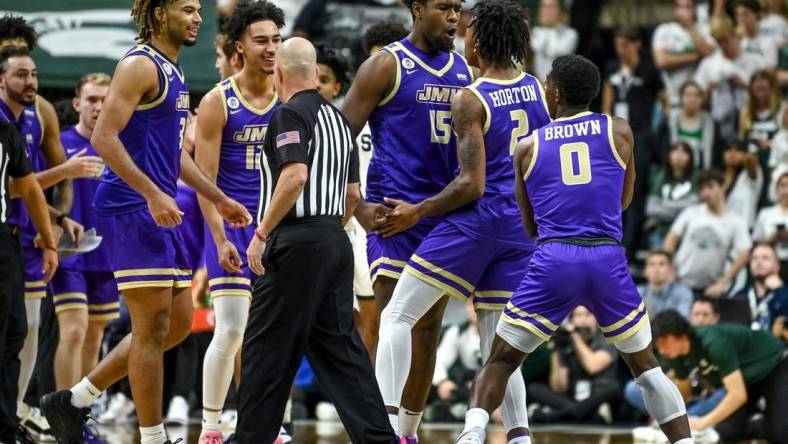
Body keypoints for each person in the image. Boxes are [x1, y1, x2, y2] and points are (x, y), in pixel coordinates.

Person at [40, 2, 252, 444]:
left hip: (157, 208)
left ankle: (75, 398)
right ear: (158, 13)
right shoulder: (139, 65)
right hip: (130, 208)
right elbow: (103, 137)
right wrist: (152, 193)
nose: (198, 17)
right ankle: (153, 437)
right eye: (187, 9)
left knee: (175, 325)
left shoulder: (173, 71)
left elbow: (174, 155)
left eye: (199, 10)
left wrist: (219, 197)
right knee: (151, 327)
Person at [455, 54, 693, 444]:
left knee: (500, 359)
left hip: (554, 258)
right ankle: (684, 441)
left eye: (548, 84)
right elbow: (624, 199)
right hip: (606, 256)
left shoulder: (528, 146)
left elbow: (530, 225)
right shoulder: (619, 131)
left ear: (556, 91)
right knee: (646, 366)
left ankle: (473, 432)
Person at [375, 1, 549, 442]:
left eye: (469, 29)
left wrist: (418, 210)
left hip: (478, 222)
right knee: (501, 346)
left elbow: (471, 184)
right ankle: (520, 436)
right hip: (521, 228)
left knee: (397, 315)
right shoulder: (537, 90)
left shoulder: (472, 97)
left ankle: (383, 429)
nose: (461, 35)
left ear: (483, 39)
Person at [237, 37, 396, 444]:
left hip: (295, 243)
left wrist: (261, 233)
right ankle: (380, 439)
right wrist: (326, 234)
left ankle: (250, 438)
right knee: (342, 354)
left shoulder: (288, 114)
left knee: (264, 351)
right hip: (335, 241)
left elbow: (294, 177)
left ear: (279, 73)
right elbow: (352, 196)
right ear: (313, 73)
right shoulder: (341, 122)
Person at [341, 0, 474, 436]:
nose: (454, 16)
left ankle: (407, 432)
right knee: (393, 315)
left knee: (428, 330)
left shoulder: (464, 72)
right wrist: (357, 205)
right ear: (417, 9)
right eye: (444, 7)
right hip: (392, 214)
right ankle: (381, 428)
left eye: (458, 8)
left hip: (440, 214)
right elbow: (337, 140)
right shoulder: (385, 65)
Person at [193, 1, 283, 441]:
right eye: (261, 40)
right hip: (230, 226)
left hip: (277, 228)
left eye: (276, 40)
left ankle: (268, 425)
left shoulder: (290, 97)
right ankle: (210, 427)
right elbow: (203, 182)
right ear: (238, 47)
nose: (270, 48)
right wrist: (218, 237)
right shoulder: (217, 101)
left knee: (273, 337)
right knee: (230, 330)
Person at [0, 45, 91, 441]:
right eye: (20, 74)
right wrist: (67, 170)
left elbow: (33, 188)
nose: (30, 81)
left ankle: (13, 417)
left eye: (34, 73)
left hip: (18, 236)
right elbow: (19, 187)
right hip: (12, 231)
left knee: (21, 331)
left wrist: (55, 225)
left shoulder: (26, 123)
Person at [48, 73, 117, 396]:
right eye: (91, 100)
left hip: (108, 252)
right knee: (74, 332)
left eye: (105, 100)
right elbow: (32, 185)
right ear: (77, 103)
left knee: (95, 336)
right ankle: (63, 416)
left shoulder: (119, 143)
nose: (98, 106)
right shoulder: (59, 142)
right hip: (68, 251)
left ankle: (81, 413)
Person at [352, 20, 409, 357]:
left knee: (397, 320)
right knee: (367, 322)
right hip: (360, 222)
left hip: (407, 217)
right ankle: (365, 400)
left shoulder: (414, 106)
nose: (378, 71)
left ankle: (397, 400)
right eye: (372, 61)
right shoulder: (356, 106)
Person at [0, 120, 57, 444]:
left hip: (6, 239)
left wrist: (50, 239)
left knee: (15, 333)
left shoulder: (7, 132)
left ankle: (7, 426)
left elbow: (29, 186)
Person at [653, 309, 788, 442]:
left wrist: (701, 423)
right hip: (748, 378)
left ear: (680, 334)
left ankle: (774, 422)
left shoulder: (712, 341)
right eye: (658, 345)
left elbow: (738, 394)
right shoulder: (676, 355)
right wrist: (671, 417)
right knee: (727, 432)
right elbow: (683, 390)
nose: (661, 350)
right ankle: (765, 420)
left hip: (775, 364)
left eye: (664, 342)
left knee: (781, 434)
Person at [602, 26, 669, 256]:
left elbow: (665, 101)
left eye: (625, 44)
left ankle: (628, 247)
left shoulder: (649, 70)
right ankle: (611, 239)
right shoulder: (611, 68)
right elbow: (607, 103)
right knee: (613, 188)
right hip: (616, 135)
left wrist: (656, 130)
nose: (621, 50)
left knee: (635, 190)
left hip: (640, 135)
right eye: (618, 45)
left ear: (637, 44)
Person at [664, 169, 751, 296]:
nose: (706, 193)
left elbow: (744, 253)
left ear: (723, 187)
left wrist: (723, 282)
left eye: (710, 187)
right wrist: (669, 268)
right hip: (680, 281)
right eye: (702, 189)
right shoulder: (691, 212)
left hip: (711, 287)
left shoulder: (736, 221)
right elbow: (671, 238)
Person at [528, 306, 620, 424]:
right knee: (534, 388)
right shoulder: (565, 340)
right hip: (573, 397)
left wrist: (575, 336)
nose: (583, 320)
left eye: (588, 314)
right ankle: (588, 415)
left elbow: (593, 366)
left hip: (597, 395)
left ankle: (555, 415)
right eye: (578, 315)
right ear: (572, 320)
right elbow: (559, 387)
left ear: (596, 320)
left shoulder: (606, 338)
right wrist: (556, 349)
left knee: (613, 388)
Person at [694, 15, 766, 146]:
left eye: (725, 40)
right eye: (718, 41)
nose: (722, 45)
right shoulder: (708, 64)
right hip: (720, 125)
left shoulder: (755, 61)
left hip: (751, 121)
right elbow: (697, 100)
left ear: (734, 35)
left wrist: (745, 85)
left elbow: (769, 94)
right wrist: (708, 91)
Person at [652, 0, 716, 108]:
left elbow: (710, 54)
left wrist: (690, 28)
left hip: (700, 99)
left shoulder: (704, 30)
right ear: (675, 11)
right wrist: (696, 57)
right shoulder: (664, 30)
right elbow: (661, 61)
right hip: (673, 99)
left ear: (694, 10)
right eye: (680, 7)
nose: (684, 11)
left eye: (688, 7)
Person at [739, 70, 783, 204]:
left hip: (773, 165)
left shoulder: (782, 110)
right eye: (757, 86)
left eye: (764, 85)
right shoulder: (745, 113)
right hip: (752, 168)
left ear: (772, 87)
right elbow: (742, 141)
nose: (760, 87)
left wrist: (769, 144)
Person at [645, 142, 699, 249]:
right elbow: (651, 209)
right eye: (675, 151)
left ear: (691, 157)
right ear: (669, 155)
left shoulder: (696, 177)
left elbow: (695, 206)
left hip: (688, 234)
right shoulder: (660, 176)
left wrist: (664, 204)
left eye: (684, 151)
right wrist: (682, 210)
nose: (679, 155)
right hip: (661, 233)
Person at [660, 80, 724, 169]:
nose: (692, 99)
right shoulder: (669, 122)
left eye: (697, 95)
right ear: (681, 98)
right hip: (673, 172)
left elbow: (716, 153)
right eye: (688, 95)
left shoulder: (712, 124)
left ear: (702, 99)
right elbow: (662, 151)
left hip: (701, 171)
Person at [733, 243, 788, 336]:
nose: (758, 262)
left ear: (777, 266)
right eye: (754, 258)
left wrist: (779, 289)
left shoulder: (785, 293)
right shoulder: (741, 295)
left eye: (765, 258)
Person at [529, 0, 578, 82]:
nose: (547, 10)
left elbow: (552, 52)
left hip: (561, 84)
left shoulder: (570, 34)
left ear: (559, 10)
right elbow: (535, 46)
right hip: (539, 83)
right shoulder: (536, 31)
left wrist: (549, 27)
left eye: (551, 7)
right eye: (544, 6)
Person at [639, 251, 694, 318]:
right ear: (645, 270)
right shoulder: (637, 293)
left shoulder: (683, 293)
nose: (656, 269)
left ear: (671, 269)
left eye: (662, 264)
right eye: (652, 264)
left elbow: (681, 321)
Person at [754, 172, 788, 276]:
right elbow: (757, 241)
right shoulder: (766, 213)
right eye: (783, 185)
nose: (786, 191)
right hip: (770, 263)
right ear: (776, 189)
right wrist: (771, 240)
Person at [723, 145, 762, 229]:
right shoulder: (721, 176)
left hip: (745, 226)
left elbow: (751, 159)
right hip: (725, 226)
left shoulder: (751, 172)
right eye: (729, 151)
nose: (732, 155)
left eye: (737, 151)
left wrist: (742, 158)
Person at [735, 0, 778, 69]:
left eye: (745, 14)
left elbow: (770, 70)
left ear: (756, 15)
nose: (741, 19)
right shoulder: (736, 40)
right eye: (738, 15)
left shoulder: (767, 41)